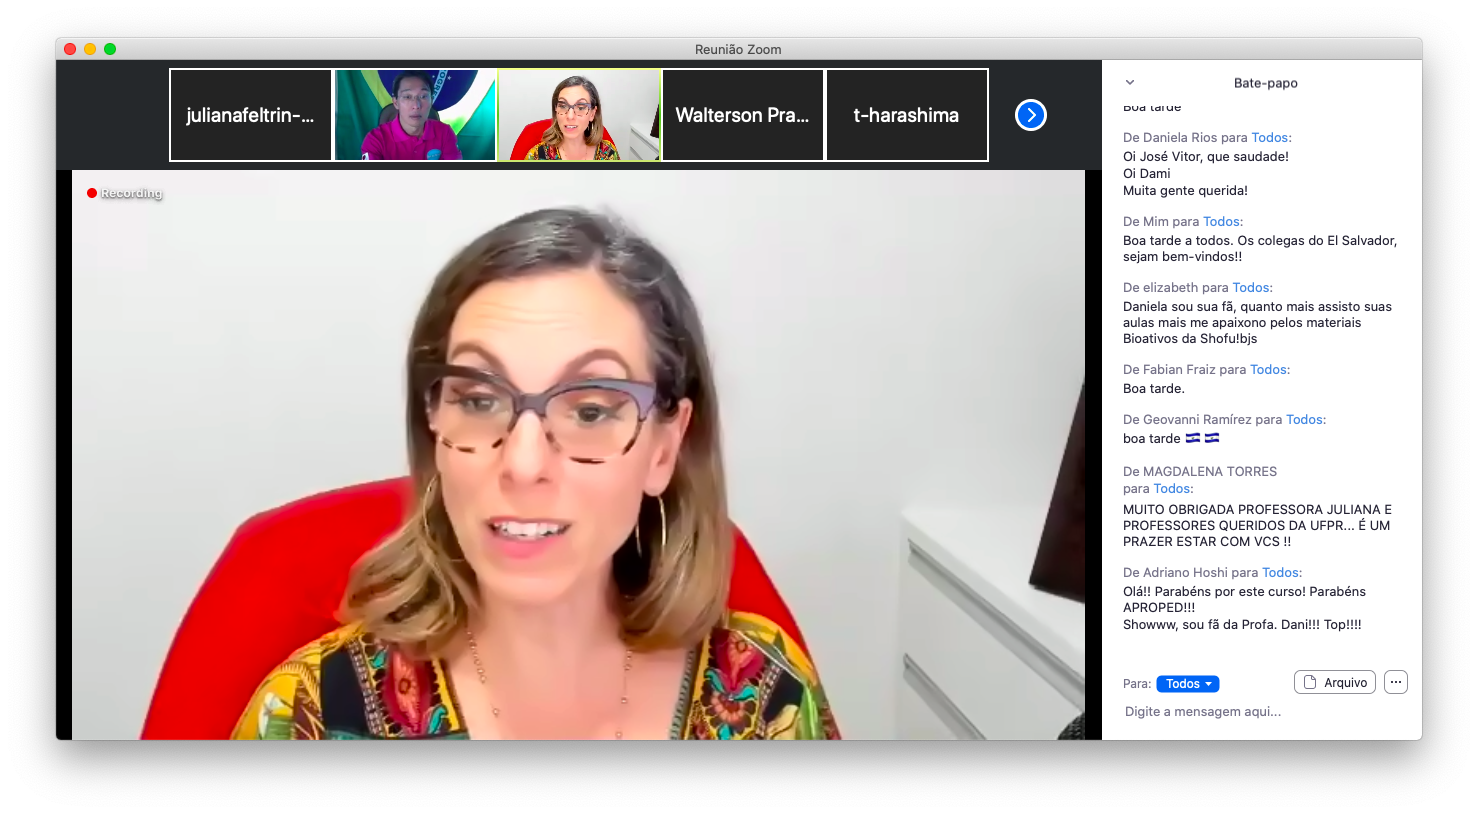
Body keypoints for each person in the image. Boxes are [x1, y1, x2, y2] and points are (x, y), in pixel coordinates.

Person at [232, 208, 840, 740]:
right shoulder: (310, 711)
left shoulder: (763, 698)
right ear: (433, 429)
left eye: (590, 411)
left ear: (665, 447)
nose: (523, 465)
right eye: (478, 400)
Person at [361, 71, 462, 160]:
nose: (416, 106)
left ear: (431, 101)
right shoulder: (375, 140)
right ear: (396, 103)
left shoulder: (445, 133)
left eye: (423, 96)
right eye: (407, 97)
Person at [524, 76, 620, 160]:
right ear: (556, 111)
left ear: (592, 113)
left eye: (581, 108)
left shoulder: (608, 154)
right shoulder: (537, 156)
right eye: (563, 106)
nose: (570, 116)